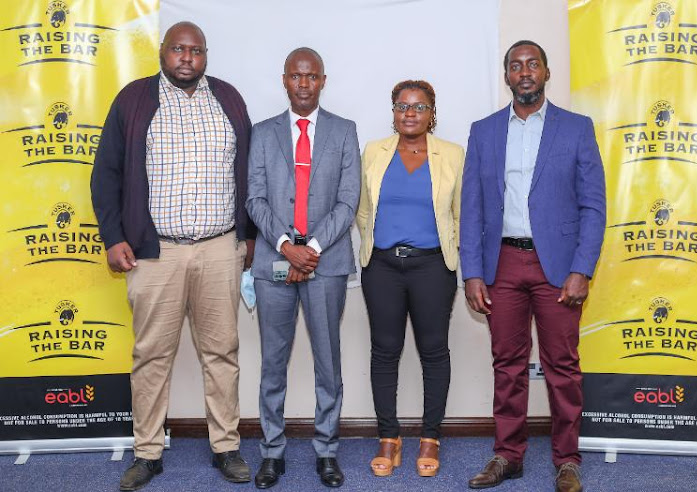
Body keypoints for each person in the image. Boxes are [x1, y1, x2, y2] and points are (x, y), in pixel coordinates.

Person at [90, 21, 256, 491]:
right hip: (154, 253)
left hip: (220, 248)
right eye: (179, 49)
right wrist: (112, 236)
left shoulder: (228, 99)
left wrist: (250, 236)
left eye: (196, 50)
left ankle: (226, 447)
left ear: (206, 56)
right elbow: (106, 174)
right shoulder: (134, 100)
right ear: (163, 52)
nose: (187, 57)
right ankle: (147, 452)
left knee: (222, 353)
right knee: (151, 355)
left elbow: (247, 170)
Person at [460, 40, 605, 492]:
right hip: (502, 263)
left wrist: (582, 267)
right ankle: (508, 455)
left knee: (562, 365)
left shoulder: (576, 128)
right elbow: (472, 206)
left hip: (558, 267)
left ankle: (567, 460)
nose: (525, 72)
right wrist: (472, 273)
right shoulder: (484, 132)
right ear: (506, 76)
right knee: (508, 364)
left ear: (545, 72)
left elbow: (593, 206)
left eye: (532, 65)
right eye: (516, 66)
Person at [246, 47, 360, 489]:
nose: (304, 84)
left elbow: (347, 201)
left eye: (312, 77)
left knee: (327, 361)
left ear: (323, 80)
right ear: (285, 80)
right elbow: (255, 197)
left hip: (326, 262)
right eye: (296, 76)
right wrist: (284, 246)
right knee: (273, 362)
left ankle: (327, 451)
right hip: (274, 261)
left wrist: (309, 248)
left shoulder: (344, 131)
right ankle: (272, 453)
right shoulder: (263, 132)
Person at [356, 80, 464, 478]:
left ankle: (430, 437)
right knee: (384, 351)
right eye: (402, 106)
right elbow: (363, 211)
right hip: (382, 266)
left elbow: (459, 214)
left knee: (434, 350)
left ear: (432, 112)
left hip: (433, 267)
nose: (410, 113)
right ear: (393, 112)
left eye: (419, 107)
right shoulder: (374, 152)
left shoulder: (452, 155)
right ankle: (389, 437)